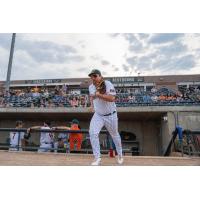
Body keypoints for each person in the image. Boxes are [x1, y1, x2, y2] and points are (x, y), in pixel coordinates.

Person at [88, 69, 123, 165]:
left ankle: (120, 155)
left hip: (110, 115)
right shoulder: (91, 87)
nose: (93, 78)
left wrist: (99, 95)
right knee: (92, 133)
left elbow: (112, 98)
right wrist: (91, 105)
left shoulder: (107, 84)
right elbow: (91, 96)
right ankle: (97, 158)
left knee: (114, 135)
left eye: (95, 76)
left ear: (100, 76)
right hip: (98, 115)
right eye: (91, 76)